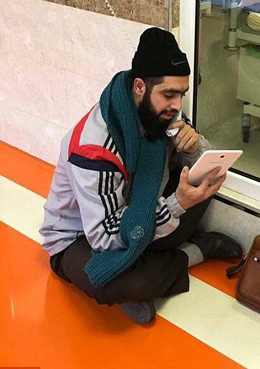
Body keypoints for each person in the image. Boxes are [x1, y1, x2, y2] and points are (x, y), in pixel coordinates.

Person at [40, 27, 242, 325]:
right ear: (139, 87)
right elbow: (105, 238)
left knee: (202, 178)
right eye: (169, 94)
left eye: (181, 94)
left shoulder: (161, 111)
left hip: (137, 209)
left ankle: (150, 265)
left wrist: (194, 146)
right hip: (81, 237)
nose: (177, 105)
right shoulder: (94, 147)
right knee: (108, 282)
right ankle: (190, 254)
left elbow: (209, 165)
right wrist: (177, 205)